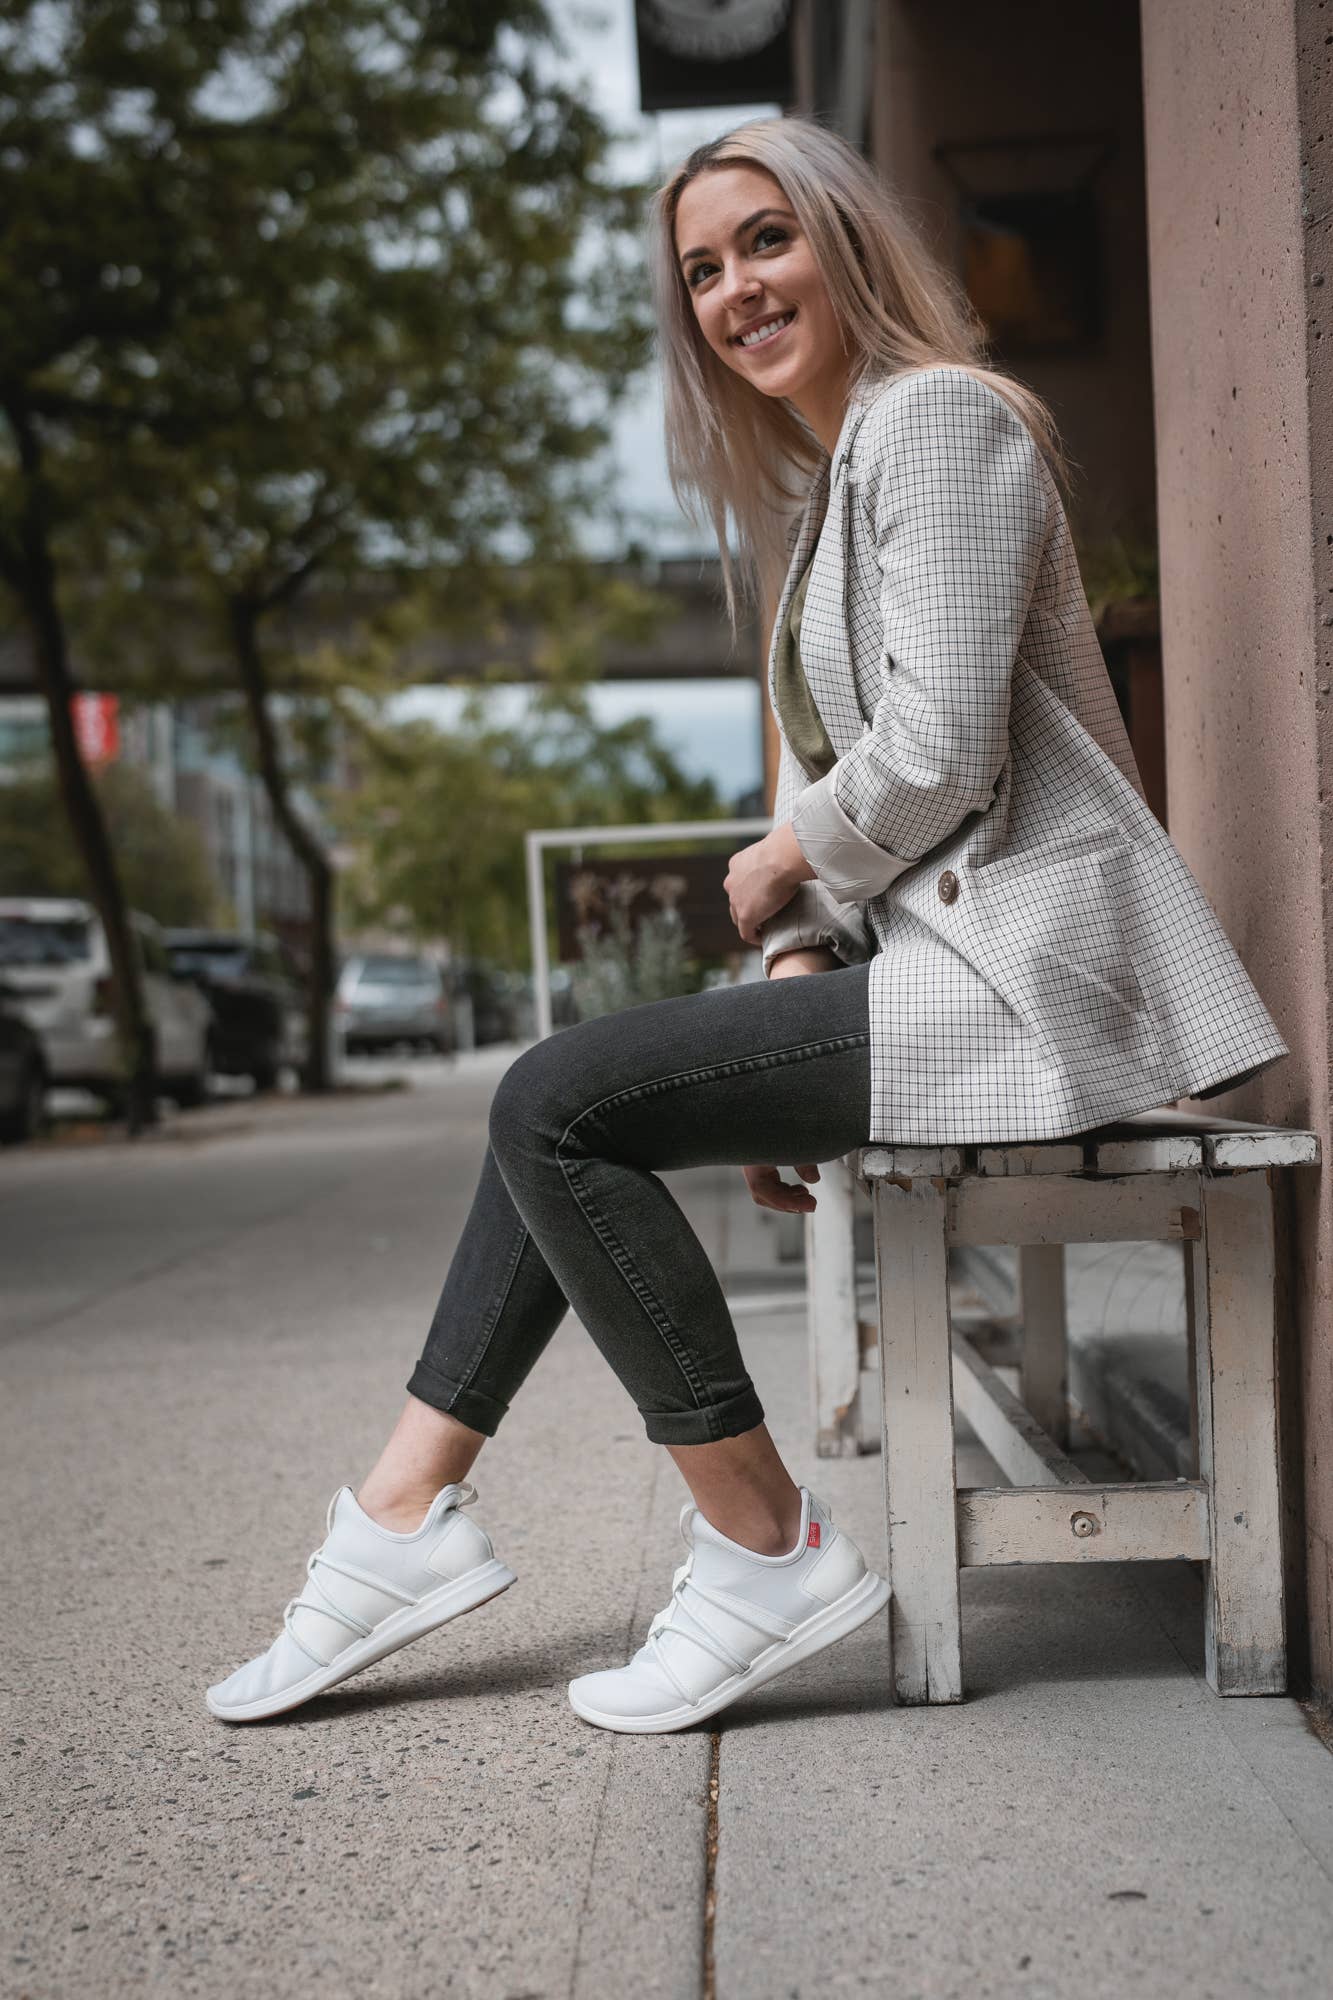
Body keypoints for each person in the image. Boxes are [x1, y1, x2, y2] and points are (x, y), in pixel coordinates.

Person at [205, 116, 1288, 1733]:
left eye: (765, 241)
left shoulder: (939, 422)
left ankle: (756, 1544)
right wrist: (788, 967)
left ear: (845, 242)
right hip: (937, 976)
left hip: (1024, 982)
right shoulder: (824, 498)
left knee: (552, 1101)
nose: (735, 290)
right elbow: (849, 783)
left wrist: (785, 860)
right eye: (702, 270)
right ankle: (399, 1514)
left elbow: (937, 755)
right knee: (555, 1106)